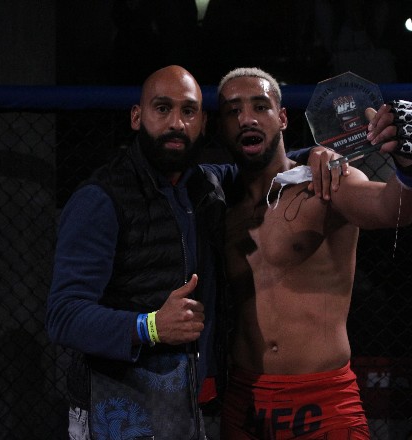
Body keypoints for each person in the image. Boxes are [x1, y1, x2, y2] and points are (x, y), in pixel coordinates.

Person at [45, 65, 340, 440]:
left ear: (202, 123)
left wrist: (316, 155)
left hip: (183, 408)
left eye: (188, 111)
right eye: (162, 108)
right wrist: (150, 326)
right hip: (116, 409)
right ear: (136, 117)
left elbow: (269, 164)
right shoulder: (100, 198)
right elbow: (63, 315)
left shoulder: (208, 185)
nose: (176, 123)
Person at [210, 68, 412, 439]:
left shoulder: (326, 181)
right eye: (233, 111)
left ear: (283, 118)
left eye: (260, 106)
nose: (246, 118)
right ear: (221, 126)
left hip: (323, 400)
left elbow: (392, 210)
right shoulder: (219, 206)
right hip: (245, 402)